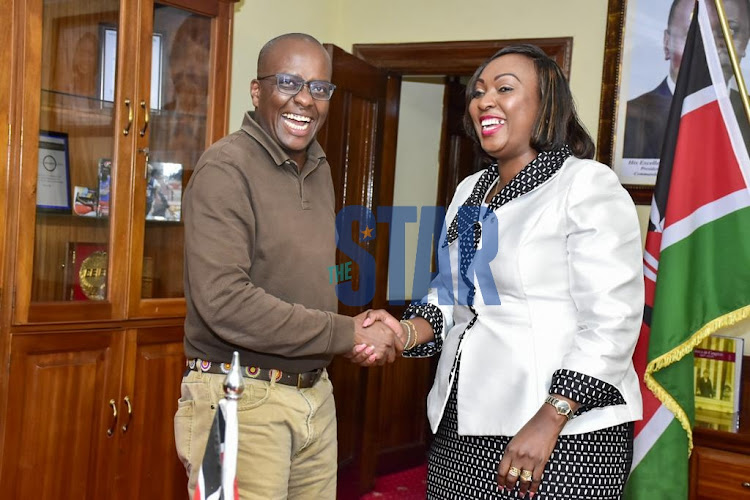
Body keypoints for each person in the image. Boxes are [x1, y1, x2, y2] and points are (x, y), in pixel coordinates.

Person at [359, 44, 645, 499]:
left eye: (504, 89)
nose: (484, 100)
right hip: (462, 421)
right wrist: (403, 332)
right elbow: (453, 294)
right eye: (478, 91)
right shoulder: (472, 189)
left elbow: (613, 322)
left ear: (546, 105)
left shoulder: (585, 185)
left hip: (563, 433)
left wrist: (549, 419)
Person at [174, 33, 400, 500]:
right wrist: (346, 333)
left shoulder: (317, 168)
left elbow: (301, 282)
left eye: (319, 88)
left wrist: (351, 332)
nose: (305, 99)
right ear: (258, 92)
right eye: (288, 82)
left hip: (314, 395)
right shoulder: (225, 168)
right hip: (239, 399)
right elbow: (226, 303)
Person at [623, 0, 750, 158]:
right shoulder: (630, 119)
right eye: (694, 34)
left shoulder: (747, 115)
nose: (712, 46)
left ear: (746, 42)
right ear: (667, 42)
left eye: (730, 32)